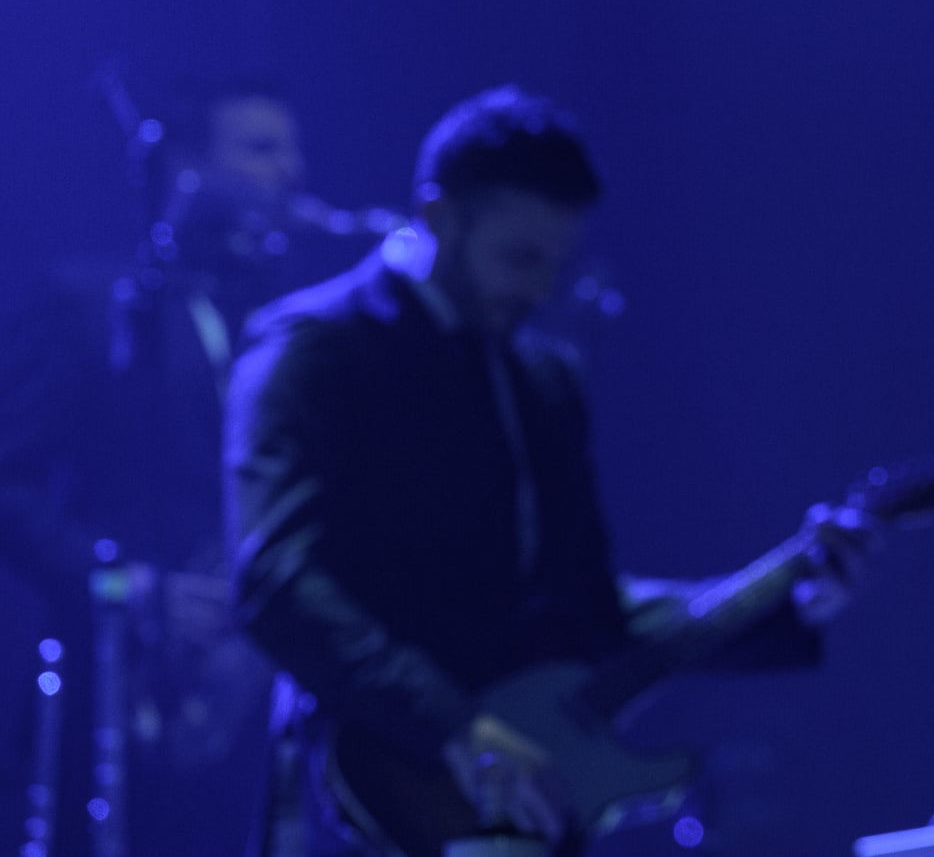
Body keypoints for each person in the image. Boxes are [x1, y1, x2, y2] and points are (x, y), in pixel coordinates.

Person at [225, 86, 869, 854]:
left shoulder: (542, 378)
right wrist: (456, 728)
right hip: (366, 790)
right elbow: (275, 581)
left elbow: (589, 612)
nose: (538, 287)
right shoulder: (311, 348)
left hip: (529, 800)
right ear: (438, 216)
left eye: (555, 263)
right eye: (519, 257)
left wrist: (788, 599)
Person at [0, 76, 310, 857]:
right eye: (260, 148)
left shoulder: (283, 325)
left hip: (247, 695)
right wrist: (129, 587)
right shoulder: (88, 303)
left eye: (292, 150)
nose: (289, 172)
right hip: (109, 682)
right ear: (184, 167)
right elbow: (7, 483)